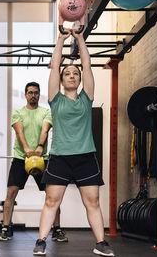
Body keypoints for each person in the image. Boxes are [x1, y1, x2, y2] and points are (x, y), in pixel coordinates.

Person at [33, 30, 114, 256]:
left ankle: (101, 243)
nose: (71, 75)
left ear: (79, 80)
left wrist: (79, 39)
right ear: (61, 79)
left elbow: (87, 66)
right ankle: (41, 241)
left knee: (93, 202)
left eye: (75, 73)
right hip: (59, 158)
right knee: (51, 201)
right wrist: (60, 39)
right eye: (67, 73)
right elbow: (55, 65)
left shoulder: (87, 98)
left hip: (86, 157)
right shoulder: (55, 100)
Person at [0, 82, 67, 243]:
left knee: (52, 195)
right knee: (10, 193)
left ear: (39, 94)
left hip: (42, 159)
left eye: (36, 93)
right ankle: (6, 228)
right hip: (21, 158)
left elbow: (45, 129)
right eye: (30, 92)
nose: (33, 95)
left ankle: (57, 230)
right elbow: (19, 132)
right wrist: (28, 149)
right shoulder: (18, 113)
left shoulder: (46, 112)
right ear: (26, 94)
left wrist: (39, 147)